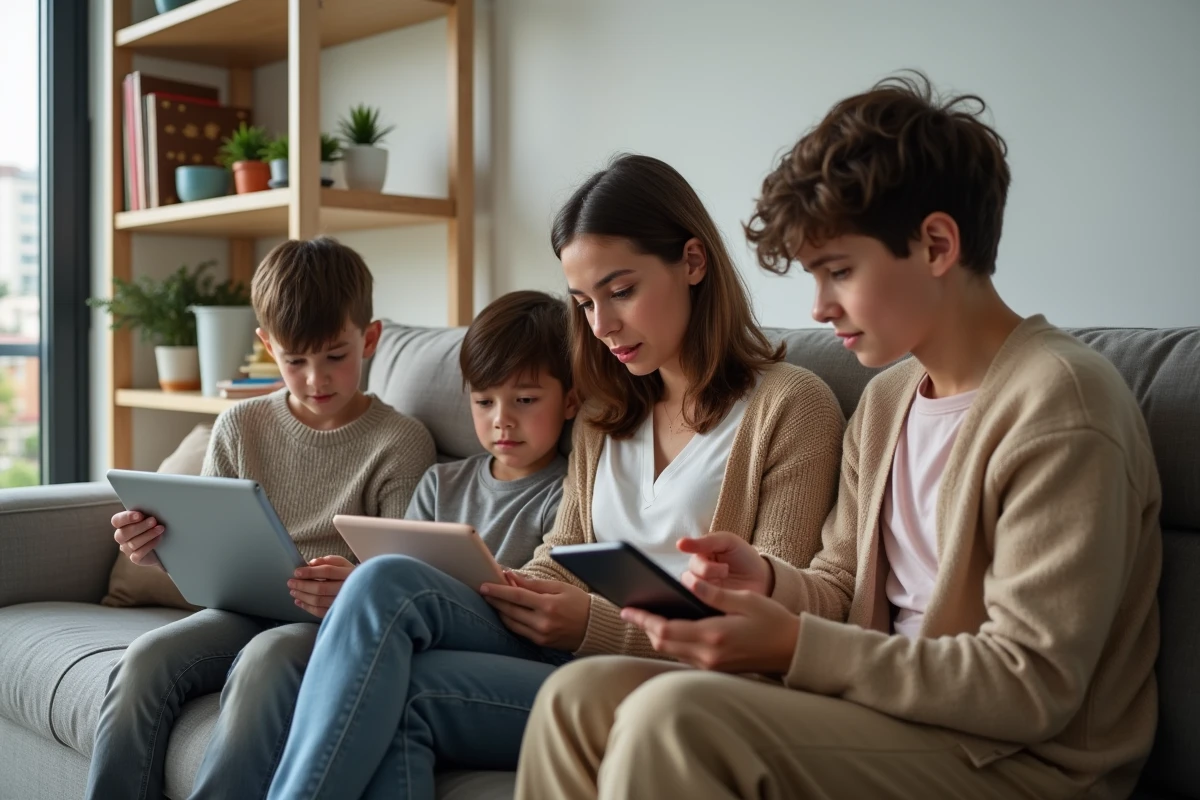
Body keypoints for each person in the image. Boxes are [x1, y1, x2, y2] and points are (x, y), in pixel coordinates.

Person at [515, 73, 1162, 800]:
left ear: (938, 244)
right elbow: (841, 588)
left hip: (1019, 760)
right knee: (576, 700)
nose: (818, 307)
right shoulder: (887, 402)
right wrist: (765, 581)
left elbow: (1031, 685)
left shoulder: (1061, 402)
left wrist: (794, 645)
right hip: (890, 717)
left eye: (839, 272)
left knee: (674, 716)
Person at [266, 154, 844, 800]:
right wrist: (509, 585)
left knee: (401, 680)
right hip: (568, 646)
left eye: (620, 291)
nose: (601, 327)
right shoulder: (605, 411)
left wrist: (592, 624)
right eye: (584, 303)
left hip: (681, 681)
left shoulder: (791, 405)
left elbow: (764, 623)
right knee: (385, 578)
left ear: (692, 262)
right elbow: (562, 557)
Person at [85, 237, 436, 800]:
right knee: (145, 659)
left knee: (265, 659)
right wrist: (160, 550)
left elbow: (400, 577)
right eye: (295, 361)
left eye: (335, 357)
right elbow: (207, 567)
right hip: (240, 611)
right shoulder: (240, 425)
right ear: (266, 345)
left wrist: (350, 585)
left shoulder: (400, 443)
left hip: (326, 629)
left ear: (369, 338)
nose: (316, 379)